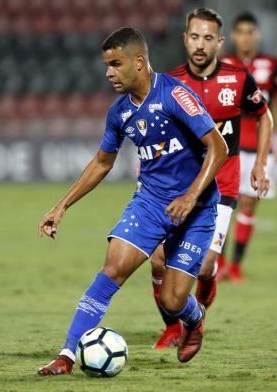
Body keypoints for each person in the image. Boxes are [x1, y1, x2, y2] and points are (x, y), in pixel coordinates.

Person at [37, 27, 228, 376]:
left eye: (115, 64)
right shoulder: (120, 112)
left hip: (195, 209)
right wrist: (61, 205)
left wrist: (190, 195)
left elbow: (219, 146)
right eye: (106, 65)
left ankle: (194, 317)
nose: (109, 72)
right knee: (112, 269)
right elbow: (101, 163)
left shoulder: (174, 95)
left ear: (139, 62)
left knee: (173, 301)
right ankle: (66, 355)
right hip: (151, 203)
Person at [149, 8, 273, 349]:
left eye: (208, 38)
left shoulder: (238, 78)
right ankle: (173, 327)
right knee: (158, 258)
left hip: (223, 187)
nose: (200, 45)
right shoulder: (171, 84)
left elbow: (265, 117)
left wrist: (260, 164)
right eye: (194, 37)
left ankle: (200, 307)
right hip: (179, 186)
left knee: (203, 266)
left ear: (219, 42)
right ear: (184, 39)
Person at [222, 12, 277, 282]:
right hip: (229, 146)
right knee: (223, 205)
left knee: (250, 205)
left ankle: (236, 266)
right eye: (240, 31)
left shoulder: (271, 65)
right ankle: (217, 266)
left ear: (257, 35)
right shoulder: (223, 64)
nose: (245, 36)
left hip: (261, 146)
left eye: (250, 31)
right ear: (233, 35)